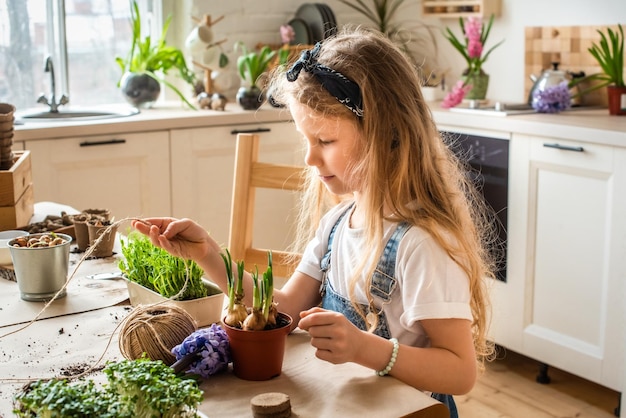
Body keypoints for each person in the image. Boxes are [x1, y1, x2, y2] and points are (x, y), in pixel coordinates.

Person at [132, 27, 496, 417]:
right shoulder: (338, 223)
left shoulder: (422, 243)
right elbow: (282, 312)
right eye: (307, 141)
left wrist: (363, 348)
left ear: (385, 133)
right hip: (346, 405)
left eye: (324, 141)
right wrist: (207, 255)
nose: (309, 158)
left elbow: (460, 372)